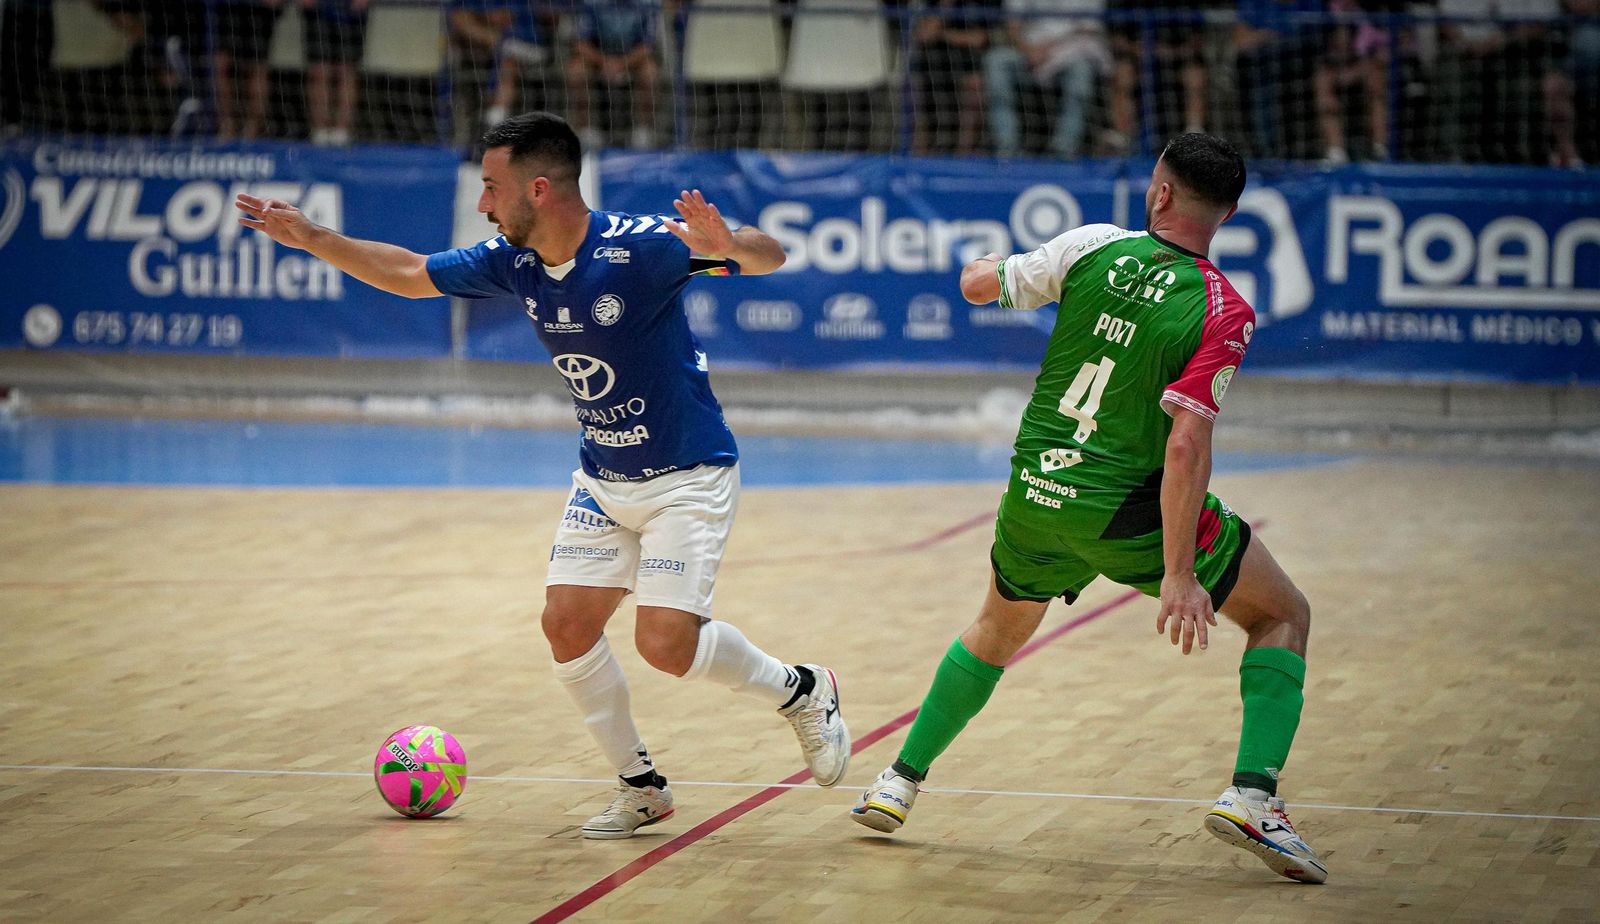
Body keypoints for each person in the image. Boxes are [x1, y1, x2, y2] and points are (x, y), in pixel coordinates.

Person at [235, 111, 850, 840]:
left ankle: (802, 691)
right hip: (604, 478)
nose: (481, 203)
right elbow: (409, 274)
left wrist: (730, 248)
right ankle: (641, 788)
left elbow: (771, 256)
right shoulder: (513, 259)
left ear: (538, 189)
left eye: (491, 188)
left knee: (664, 646)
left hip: (686, 475)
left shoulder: (643, 247)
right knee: (566, 625)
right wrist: (313, 238)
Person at [851, 133, 1329, 885]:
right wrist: (1178, 574)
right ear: (1229, 215)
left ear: (1160, 193)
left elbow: (978, 286)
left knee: (994, 630)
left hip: (1034, 495)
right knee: (1283, 614)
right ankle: (1252, 796)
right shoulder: (1224, 309)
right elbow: (1185, 447)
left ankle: (898, 781)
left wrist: (983, 265)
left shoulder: (1093, 246)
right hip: (1127, 513)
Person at [984, 0, 1112, 159]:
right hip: (1028, 54)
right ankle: (1006, 149)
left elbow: (1089, 30)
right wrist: (1029, 51)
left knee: (1082, 71)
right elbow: (1012, 26)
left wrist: (1052, 50)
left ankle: (1063, 150)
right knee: (996, 61)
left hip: (1070, 55)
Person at [1106, 0, 1211, 155]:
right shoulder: (1123, 3)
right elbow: (1117, 40)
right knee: (1122, 73)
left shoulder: (1185, 5)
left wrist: (1170, 52)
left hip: (1176, 59)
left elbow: (1197, 40)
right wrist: (1143, 51)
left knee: (1195, 75)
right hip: (1138, 58)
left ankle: (1194, 133)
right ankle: (1123, 136)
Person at [566, 0, 662, 150]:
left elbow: (648, 46)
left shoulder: (647, 3)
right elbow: (580, 43)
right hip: (597, 57)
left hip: (633, 58)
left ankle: (643, 132)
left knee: (650, 73)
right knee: (576, 71)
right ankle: (585, 130)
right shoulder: (591, 3)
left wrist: (621, 64)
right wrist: (604, 62)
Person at [448, 0, 551, 141]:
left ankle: (494, 122)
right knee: (460, 18)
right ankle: (493, 122)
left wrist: (491, 17)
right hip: (496, 47)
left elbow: (505, 16)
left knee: (509, 63)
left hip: (532, 46)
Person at [911, 0, 1001, 156]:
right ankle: (920, 154)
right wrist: (946, 7)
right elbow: (925, 35)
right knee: (915, 86)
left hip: (969, 63)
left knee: (974, 85)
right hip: (934, 65)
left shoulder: (979, 5)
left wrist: (943, 34)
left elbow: (978, 39)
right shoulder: (931, 5)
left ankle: (963, 153)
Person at [213, 0, 284, 140]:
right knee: (221, 64)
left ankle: (253, 129)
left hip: (259, 11)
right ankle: (227, 125)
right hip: (229, 9)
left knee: (256, 67)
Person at [303, 0, 369, 145]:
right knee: (319, 71)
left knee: (346, 71)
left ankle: (342, 131)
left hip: (351, 14)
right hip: (319, 12)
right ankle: (320, 130)